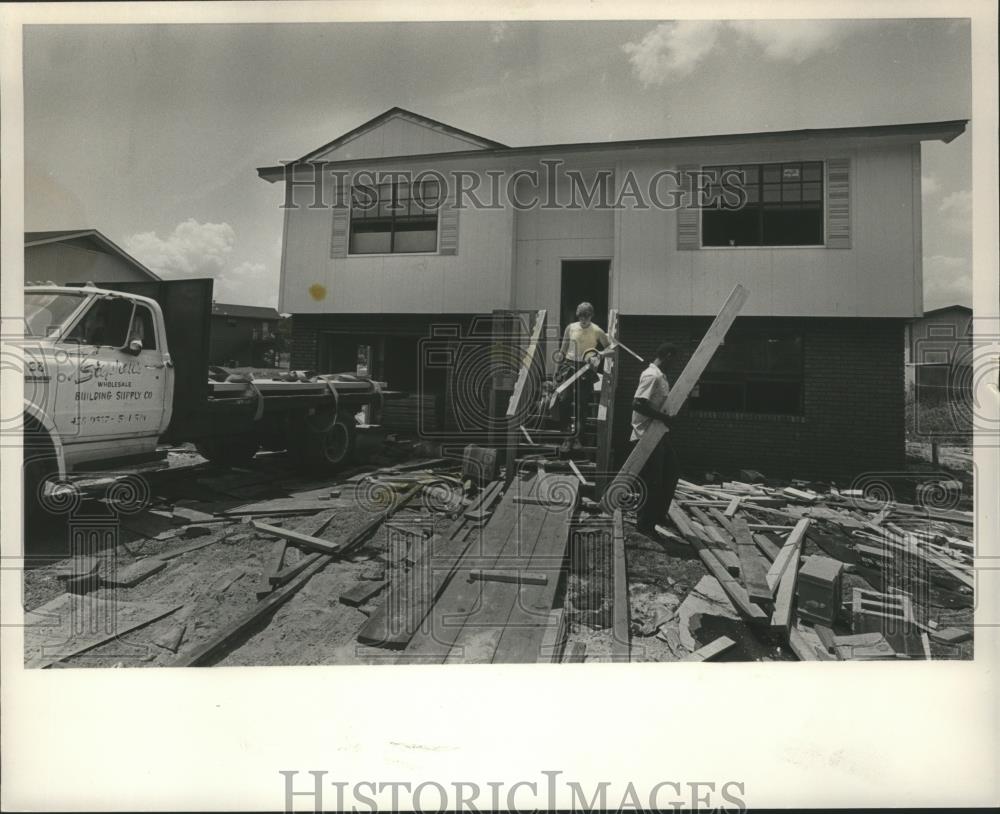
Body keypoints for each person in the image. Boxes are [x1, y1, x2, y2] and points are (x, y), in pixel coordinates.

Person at [629, 341, 681, 537]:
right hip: (646, 434)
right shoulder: (652, 376)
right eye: (674, 360)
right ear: (667, 355)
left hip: (659, 433)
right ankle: (645, 523)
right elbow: (638, 404)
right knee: (653, 480)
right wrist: (664, 418)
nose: (674, 364)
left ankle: (657, 515)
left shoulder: (661, 376)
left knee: (671, 471)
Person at [555, 302, 609, 451]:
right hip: (569, 366)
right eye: (580, 315)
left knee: (582, 404)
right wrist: (556, 371)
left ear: (591, 315)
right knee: (564, 400)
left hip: (585, 368)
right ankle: (567, 437)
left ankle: (578, 438)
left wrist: (598, 355)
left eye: (586, 316)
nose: (583, 319)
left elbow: (610, 348)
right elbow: (563, 349)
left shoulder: (597, 330)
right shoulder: (571, 328)